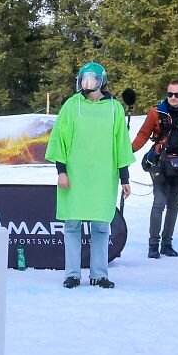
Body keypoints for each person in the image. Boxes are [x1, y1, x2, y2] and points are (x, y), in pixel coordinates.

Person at [45, 62, 132, 288]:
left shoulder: (115, 108)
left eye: (91, 79)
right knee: (72, 224)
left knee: (101, 225)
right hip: (75, 175)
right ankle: (72, 274)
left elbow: (121, 144)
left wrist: (125, 178)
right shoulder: (71, 105)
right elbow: (58, 141)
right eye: (83, 79)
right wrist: (61, 171)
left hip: (103, 176)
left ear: (101, 81)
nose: (86, 83)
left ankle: (99, 274)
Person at [130, 79, 178, 257]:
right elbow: (143, 134)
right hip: (159, 162)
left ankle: (167, 244)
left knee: (174, 204)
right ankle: (153, 245)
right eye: (170, 94)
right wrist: (129, 151)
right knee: (159, 203)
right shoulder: (155, 113)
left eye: (177, 95)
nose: (173, 97)